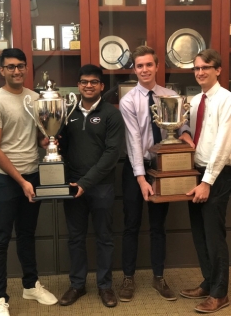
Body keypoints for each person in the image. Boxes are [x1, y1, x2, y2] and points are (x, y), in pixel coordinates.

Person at [119, 45, 194, 302]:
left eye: (148, 64)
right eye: (139, 65)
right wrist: (141, 179)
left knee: (157, 226)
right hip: (135, 168)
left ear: (157, 66)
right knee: (130, 225)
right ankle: (128, 278)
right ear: (135, 69)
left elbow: (181, 123)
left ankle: (159, 277)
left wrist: (185, 134)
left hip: (163, 167)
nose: (144, 70)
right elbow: (134, 140)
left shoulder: (169, 94)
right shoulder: (128, 101)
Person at [0, 48, 58, 316]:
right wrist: (21, 181)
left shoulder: (36, 98)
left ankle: (30, 285)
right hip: (4, 179)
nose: (16, 70)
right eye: (10, 67)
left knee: (27, 235)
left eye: (21, 66)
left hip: (32, 175)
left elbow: (37, 137)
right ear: (2, 70)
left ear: (27, 68)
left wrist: (48, 140)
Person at [58, 64, 124, 308]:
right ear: (78, 85)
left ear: (101, 86)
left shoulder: (111, 114)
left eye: (93, 82)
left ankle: (105, 286)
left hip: (101, 187)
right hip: (73, 186)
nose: (88, 85)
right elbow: (61, 147)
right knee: (75, 238)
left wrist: (87, 182)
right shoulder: (68, 113)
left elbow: (112, 153)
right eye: (84, 81)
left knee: (104, 238)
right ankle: (77, 285)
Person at [180, 49, 231, 313]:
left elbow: (223, 146)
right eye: (197, 68)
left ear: (218, 70)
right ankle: (209, 282)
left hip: (217, 175)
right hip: (196, 172)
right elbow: (188, 127)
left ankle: (220, 293)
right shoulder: (196, 100)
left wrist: (208, 182)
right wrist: (184, 134)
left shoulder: (227, 100)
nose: (200, 72)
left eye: (206, 68)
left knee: (213, 235)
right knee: (199, 233)